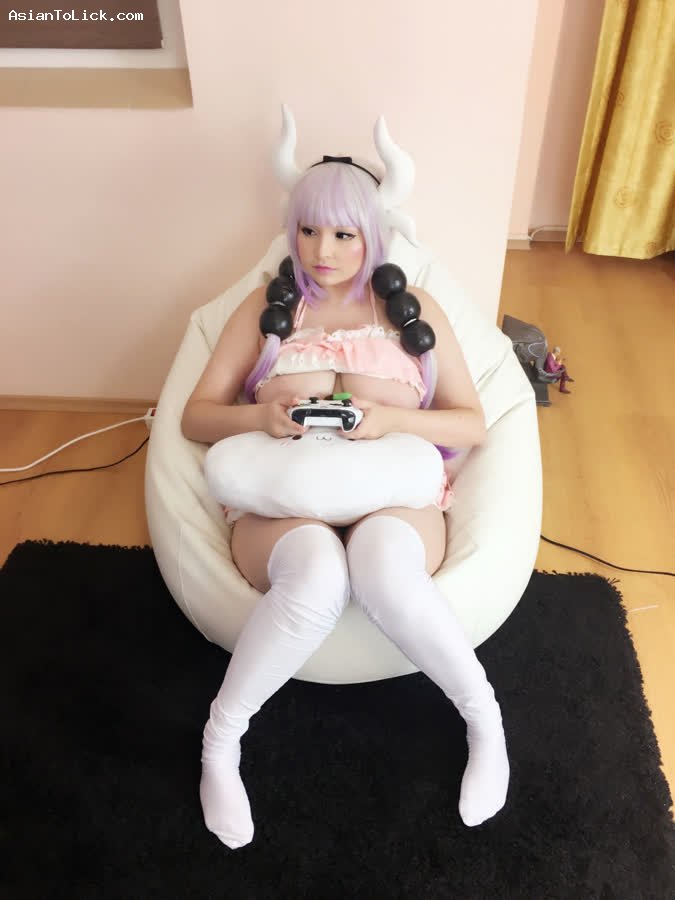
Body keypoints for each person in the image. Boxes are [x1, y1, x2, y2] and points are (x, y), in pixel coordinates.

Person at [181, 108, 509, 849]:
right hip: (281, 495)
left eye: (342, 234)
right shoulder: (267, 308)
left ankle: (484, 720)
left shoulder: (411, 311)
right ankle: (221, 743)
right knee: (317, 578)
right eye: (306, 230)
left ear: (372, 235)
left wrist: (389, 419)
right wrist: (263, 418)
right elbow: (196, 416)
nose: (321, 251)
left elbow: (472, 425)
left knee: (382, 568)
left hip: (392, 492)